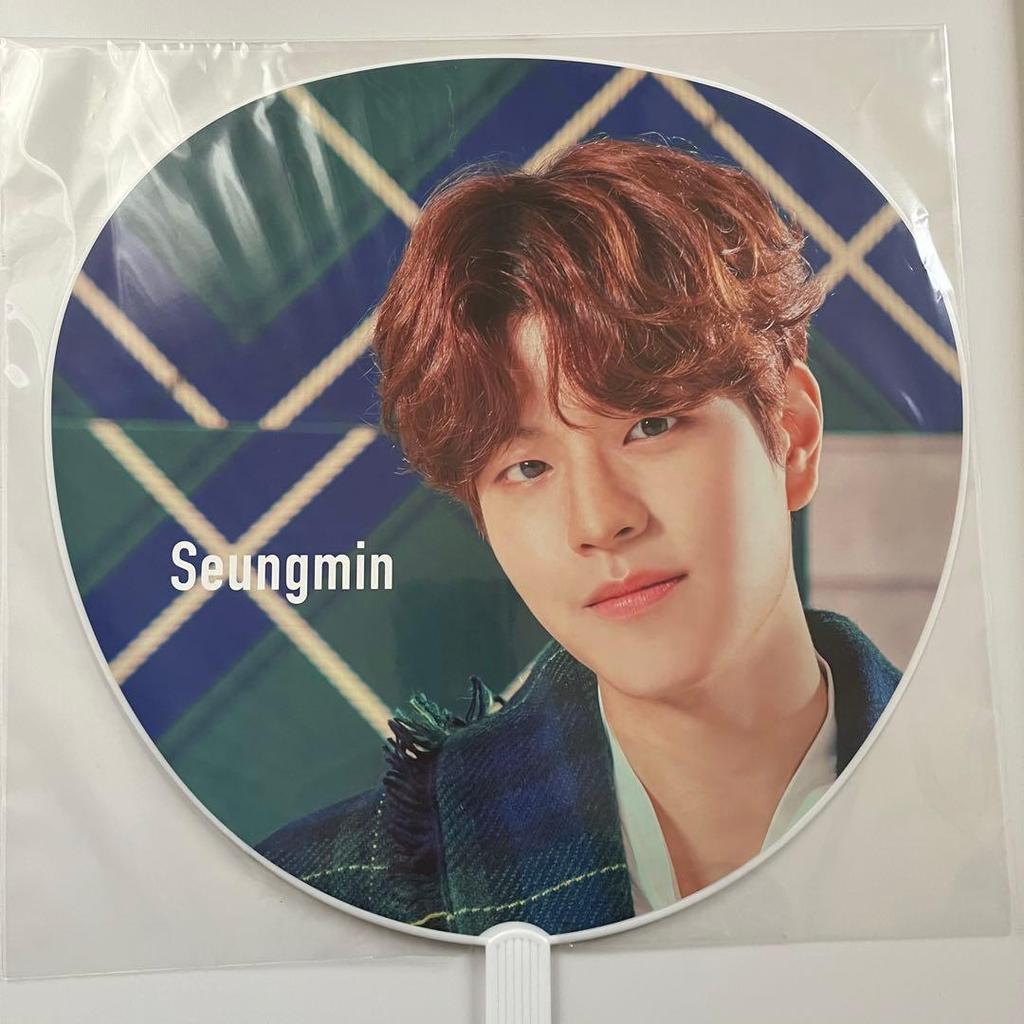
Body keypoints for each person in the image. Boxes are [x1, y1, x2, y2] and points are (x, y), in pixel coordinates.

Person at [256, 137, 900, 935]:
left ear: (793, 436)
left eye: (651, 425)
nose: (600, 521)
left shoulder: (989, 806)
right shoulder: (327, 905)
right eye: (526, 467)